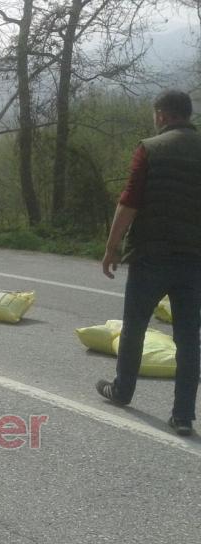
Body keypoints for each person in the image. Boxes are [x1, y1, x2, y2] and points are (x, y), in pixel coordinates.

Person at [97, 90, 201, 436]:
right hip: (193, 260)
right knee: (188, 338)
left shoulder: (150, 149)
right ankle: (183, 416)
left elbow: (129, 203)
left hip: (150, 257)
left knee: (135, 326)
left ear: (161, 115)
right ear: (187, 114)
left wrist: (111, 248)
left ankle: (122, 391)